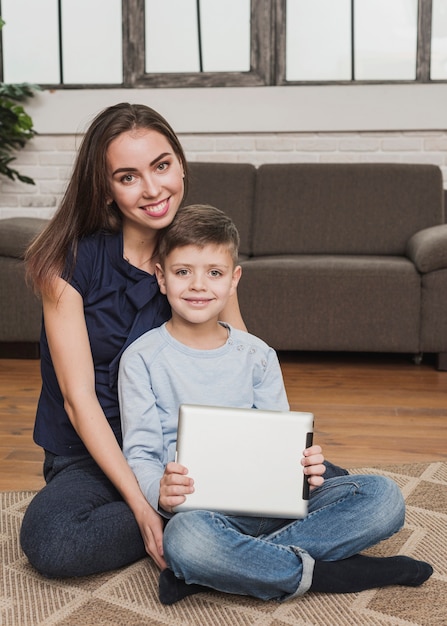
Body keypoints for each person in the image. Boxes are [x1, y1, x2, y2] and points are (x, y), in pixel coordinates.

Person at [118, 204, 433, 606]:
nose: (199, 285)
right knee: (186, 542)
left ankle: (223, 572)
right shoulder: (141, 359)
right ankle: (334, 573)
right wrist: (159, 492)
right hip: (201, 512)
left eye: (214, 273)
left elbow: (279, 436)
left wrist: (304, 466)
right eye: (183, 272)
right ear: (161, 277)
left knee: (384, 497)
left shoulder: (258, 354)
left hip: (275, 503)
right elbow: (141, 453)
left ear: (234, 280)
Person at [20, 102, 247, 578]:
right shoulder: (68, 262)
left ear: (181, 165)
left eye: (161, 166)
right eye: (128, 177)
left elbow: (239, 360)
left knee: (336, 487)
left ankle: (213, 523)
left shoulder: (199, 253)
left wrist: (278, 453)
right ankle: (210, 524)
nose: (152, 189)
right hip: (92, 455)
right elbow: (78, 400)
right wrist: (146, 508)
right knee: (55, 540)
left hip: (179, 448)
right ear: (106, 190)